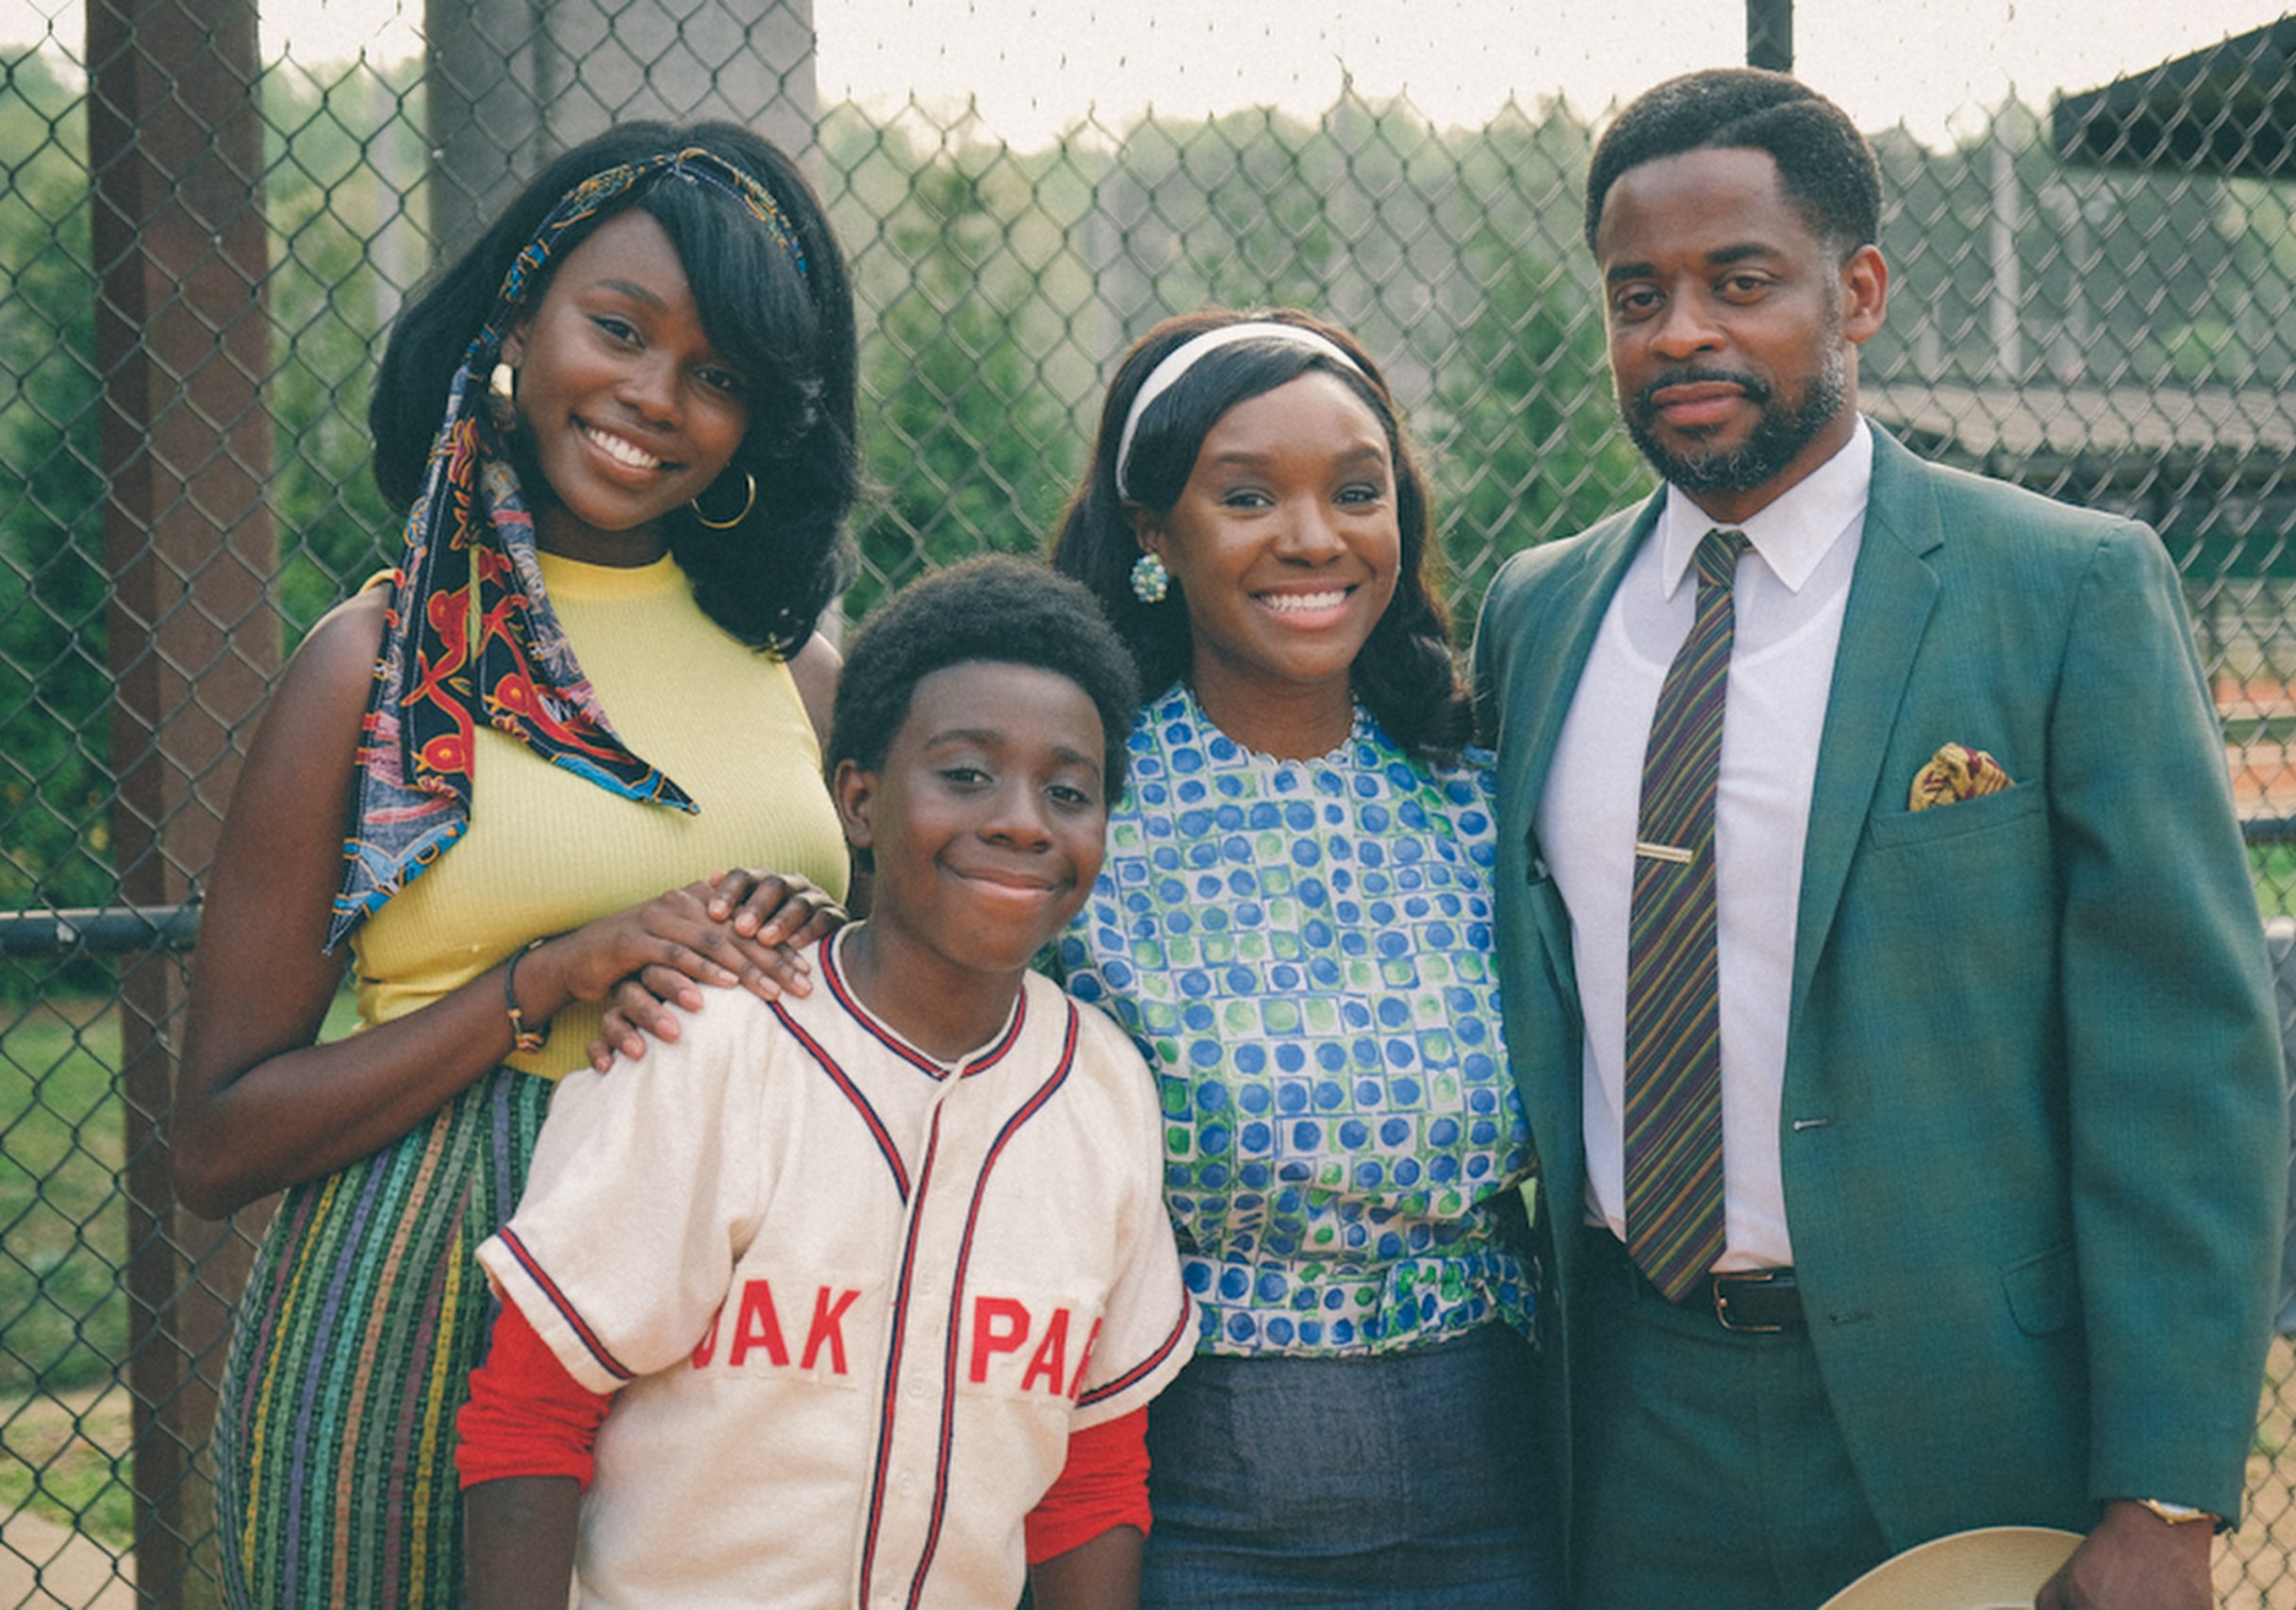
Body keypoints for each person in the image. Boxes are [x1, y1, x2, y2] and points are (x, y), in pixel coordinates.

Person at [1470, 68, 2287, 1610]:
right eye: (1638, 295)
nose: (1681, 332)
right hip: (1629, 1411)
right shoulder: (1541, 611)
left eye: (1741, 281)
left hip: (1966, 1416)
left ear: (1858, 292)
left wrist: (2165, 1494)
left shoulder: (2066, 589)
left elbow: (2183, 1070)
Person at [169, 123, 861, 1606]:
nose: (654, 397)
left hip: (748, 1294)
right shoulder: (373, 665)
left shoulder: (801, 675)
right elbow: (218, 1140)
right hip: (426, 1287)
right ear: (519, 323)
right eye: (620, 329)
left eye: (718, 373)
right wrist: (548, 975)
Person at [454, 556, 1197, 1610]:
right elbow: (530, 1417)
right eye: (966, 774)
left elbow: (1092, 1476)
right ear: (858, 798)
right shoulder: (712, 1038)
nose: (1023, 820)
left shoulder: (1104, 1087)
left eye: (1069, 792)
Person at [1049, 309, 1556, 1605]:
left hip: (1498, 1461)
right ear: (1154, 534)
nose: (1314, 537)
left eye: (1356, 492)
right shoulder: (1082, 810)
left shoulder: (1480, 799)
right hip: (1197, 1478)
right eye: (1246, 497)